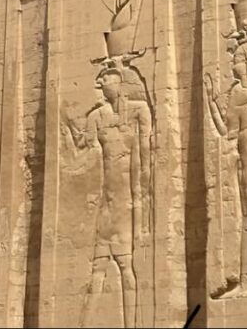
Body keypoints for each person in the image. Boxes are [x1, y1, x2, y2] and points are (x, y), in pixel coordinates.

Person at [64, 66, 152, 328]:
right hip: (107, 204)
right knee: (97, 271)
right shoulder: (97, 117)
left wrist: (142, 216)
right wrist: (68, 130)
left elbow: (145, 154)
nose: (104, 89)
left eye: (108, 84)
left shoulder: (138, 110)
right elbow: (83, 148)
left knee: (126, 268)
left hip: (127, 201)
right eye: (102, 85)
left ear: (120, 85)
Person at [204, 40, 247, 299]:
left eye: (238, 61)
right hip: (241, 158)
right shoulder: (236, 94)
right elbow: (227, 132)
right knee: (243, 217)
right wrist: (211, 101)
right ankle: (245, 279)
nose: (233, 66)